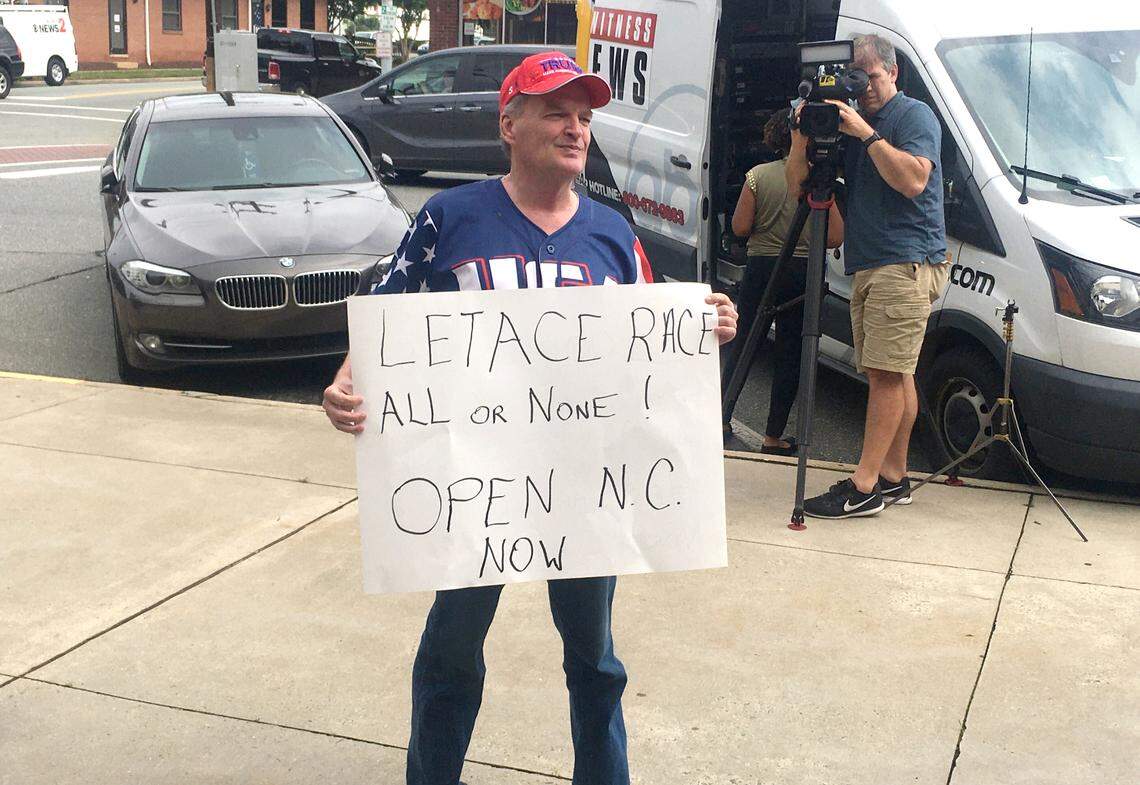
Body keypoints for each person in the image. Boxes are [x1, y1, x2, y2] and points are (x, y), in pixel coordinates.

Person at [321, 51, 739, 785]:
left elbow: (651, 337)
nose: (575, 127)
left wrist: (709, 323)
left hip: (583, 492)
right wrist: (344, 382)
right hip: (475, 488)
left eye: (583, 115)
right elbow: (387, 315)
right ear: (508, 123)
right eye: (555, 111)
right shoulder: (448, 218)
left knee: (596, 660)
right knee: (450, 653)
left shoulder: (612, 233)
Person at [785, 33, 950, 519]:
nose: (866, 89)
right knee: (896, 372)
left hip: (906, 260)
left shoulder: (911, 115)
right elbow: (799, 187)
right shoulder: (847, 123)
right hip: (874, 261)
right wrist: (801, 136)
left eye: (871, 77)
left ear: (893, 72)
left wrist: (865, 131)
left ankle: (864, 485)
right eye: (857, 80)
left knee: (882, 374)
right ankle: (894, 477)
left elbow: (914, 179)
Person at [722, 111, 843, 455]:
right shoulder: (819, 183)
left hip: (762, 268)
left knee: (745, 342)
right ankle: (773, 437)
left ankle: (722, 417)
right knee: (791, 354)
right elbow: (835, 237)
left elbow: (740, 227)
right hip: (804, 273)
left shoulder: (758, 176)